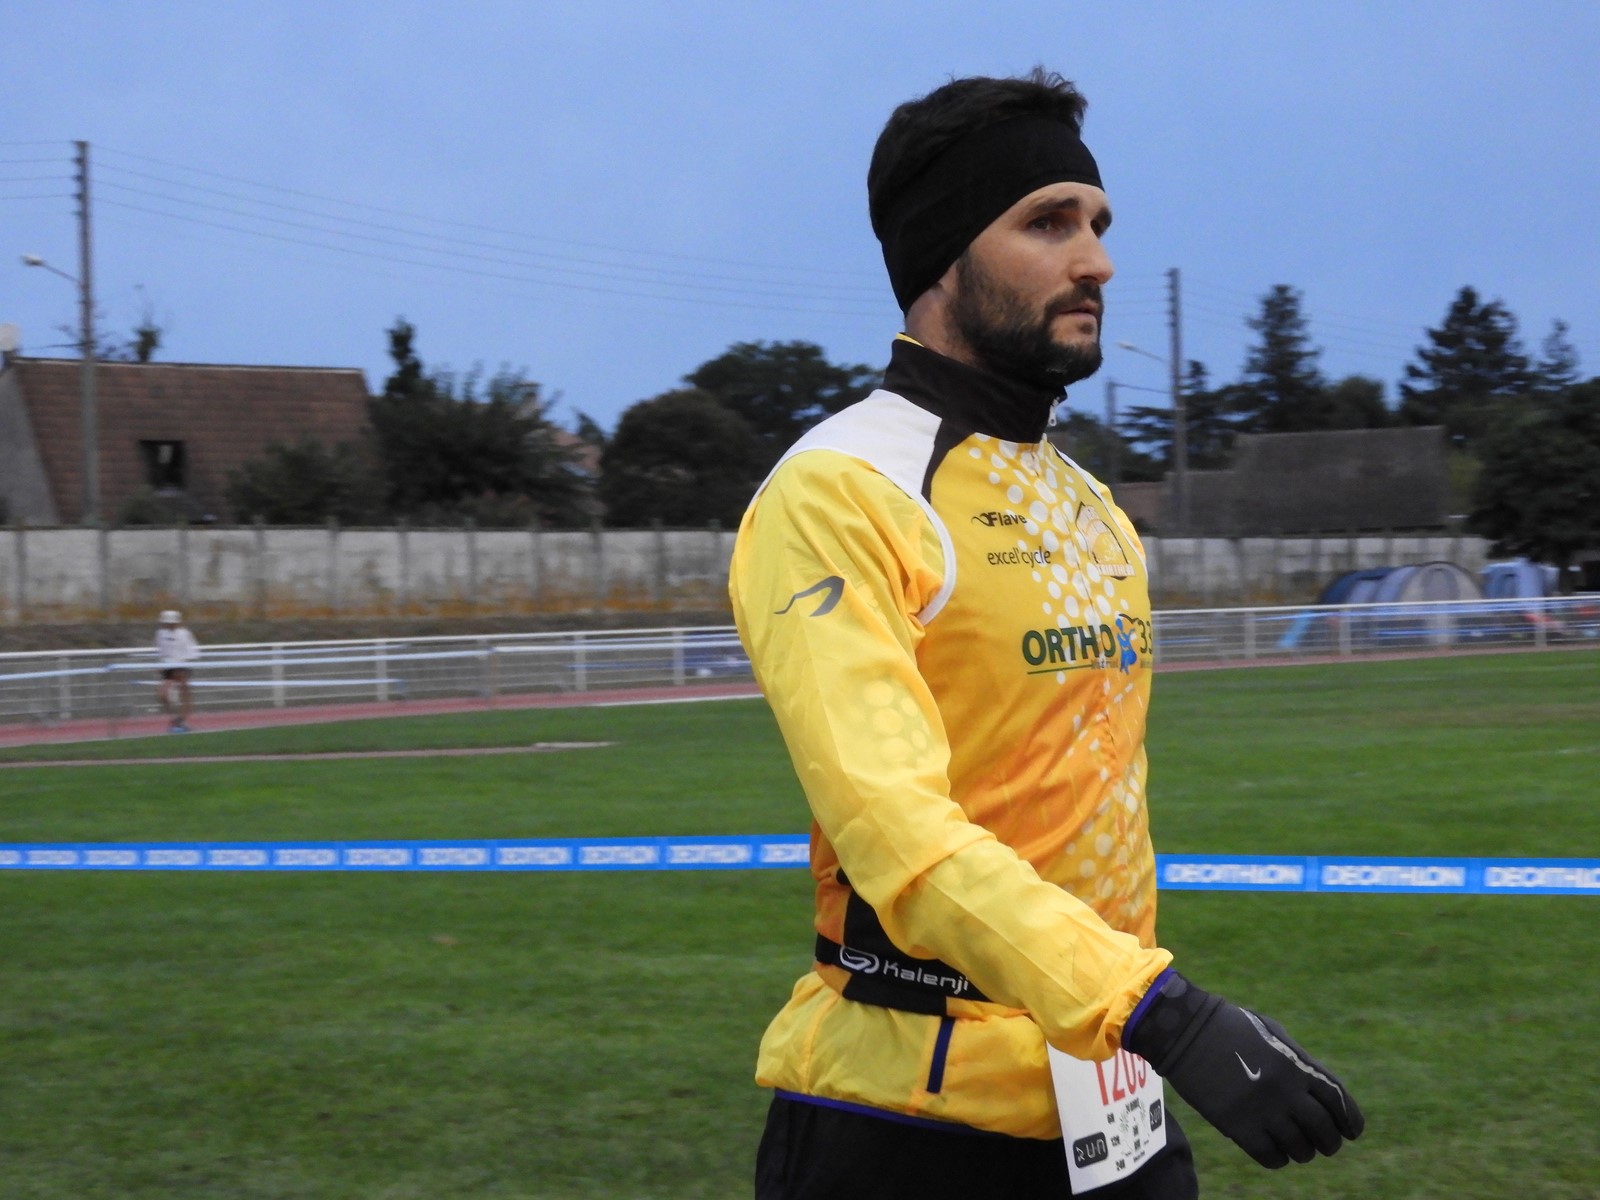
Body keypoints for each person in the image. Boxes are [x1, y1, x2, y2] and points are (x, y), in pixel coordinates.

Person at [729, 69, 1363, 1199]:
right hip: (910, 1125)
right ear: (941, 253)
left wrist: (1133, 1022)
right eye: (1048, 223)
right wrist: (1161, 1010)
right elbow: (896, 835)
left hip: (1111, 1097)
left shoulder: (1089, 501)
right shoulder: (840, 490)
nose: (1097, 262)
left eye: (1099, 224)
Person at [154, 609, 200, 732]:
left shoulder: (185, 634)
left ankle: (183, 719)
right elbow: (161, 650)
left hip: (182, 665)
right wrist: (161, 664)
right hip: (168, 667)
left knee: (184, 689)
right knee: (162, 693)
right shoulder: (160, 633)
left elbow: (192, 651)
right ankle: (174, 718)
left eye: (172, 623)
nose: (169, 625)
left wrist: (182, 665)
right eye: (167, 623)